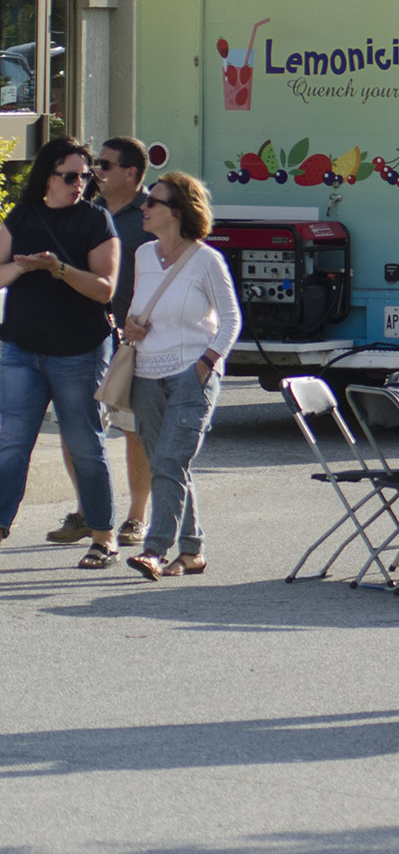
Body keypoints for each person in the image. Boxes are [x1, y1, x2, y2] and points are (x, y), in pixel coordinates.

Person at [0, 138, 121, 561]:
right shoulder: (23, 214)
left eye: (86, 176)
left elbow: (106, 289)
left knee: (84, 443)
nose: (79, 184)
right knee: (11, 441)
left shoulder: (96, 220)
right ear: (47, 175)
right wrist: (21, 265)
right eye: (70, 176)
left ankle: (104, 536)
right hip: (19, 347)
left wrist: (59, 269)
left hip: (78, 350)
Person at [116, 172, 238, 581]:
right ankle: (192, 551)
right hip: (146, 375)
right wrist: (132, 326)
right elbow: (138, 310)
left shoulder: (207, 260)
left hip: (191, 376)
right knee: (167, 465)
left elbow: (231, 319)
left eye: (154, 202)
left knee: (169, 460)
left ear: (178, 212)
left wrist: (206, 363)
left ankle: (154, 549)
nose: (145, 208)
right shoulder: (144, 255)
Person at [49, 137, 156, 548]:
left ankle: (135, 518)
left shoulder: (154, 212)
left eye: (105, 166)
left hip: (135, 340)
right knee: (75, 428)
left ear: (131, 173)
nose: (95, 173)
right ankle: (88, 512)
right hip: (83, 335)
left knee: (134, 429)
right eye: (95, 165)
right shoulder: (85, 212)